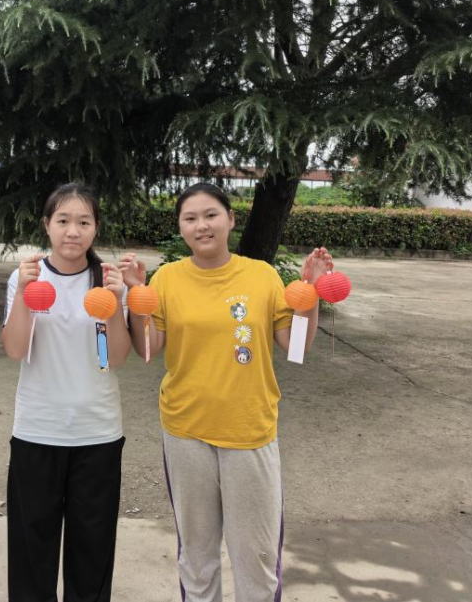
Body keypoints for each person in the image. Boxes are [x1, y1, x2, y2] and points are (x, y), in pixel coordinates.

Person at [120, 182, 332, 602]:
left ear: (231, 220)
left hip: (249, 429)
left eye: (211, 215)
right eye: (190, 218)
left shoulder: (261, 275)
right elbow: (148, 349)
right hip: (186, 430)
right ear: (181, 227)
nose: (202, 225)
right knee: (197, 555)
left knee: (257, 556)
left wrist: (310, 295)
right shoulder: (168, 279)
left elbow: (295, 347)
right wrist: (136, 296)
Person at [1, 183, 131, 602]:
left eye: (83, 222)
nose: (72, 231)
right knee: (31, 552)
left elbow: (115, 358)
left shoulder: (107, 281)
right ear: (47, 225)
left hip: (97, 434)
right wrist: (24, 295)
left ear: (96, 228)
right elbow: (15, 350)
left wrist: (116, 303)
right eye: (63, 220)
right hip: (37, 431)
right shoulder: (27, 277)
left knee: (92, 551)